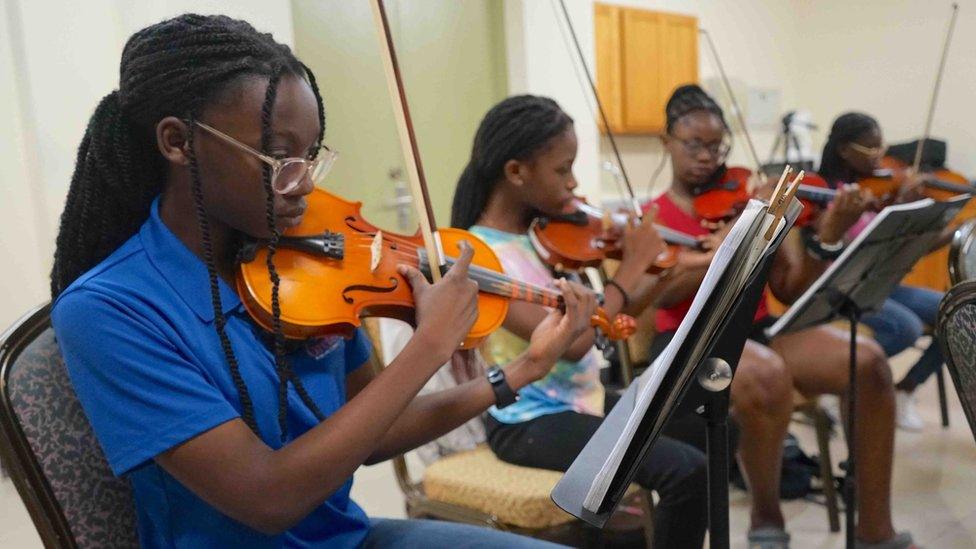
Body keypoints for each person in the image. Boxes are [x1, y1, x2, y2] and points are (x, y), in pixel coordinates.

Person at [49, 14, 596, 548]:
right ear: (179, 142)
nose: (304, 183)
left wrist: (526, 367)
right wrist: (429, 345)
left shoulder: (300, 269)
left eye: (310, 156)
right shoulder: (109, 309)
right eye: (279, 156)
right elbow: (268, 499)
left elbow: (376, 431)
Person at [645, 85, 912, 549]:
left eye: (717, 145)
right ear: (666, 142)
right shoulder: (653, 216)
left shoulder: (749, 196)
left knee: (867, 360)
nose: (709, 157)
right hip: (690, 344)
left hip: (758, 329)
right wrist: (740, 234)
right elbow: (664, 293)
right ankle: (767, 523)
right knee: (766, 375)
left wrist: (823, 234)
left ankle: (876, 531)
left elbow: (791, 288)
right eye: (694, 145)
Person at [450, 94, 709, 549]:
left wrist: (661, 267)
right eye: (562, 169)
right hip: (526, 420)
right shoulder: (477, 255)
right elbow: (567, 342)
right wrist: (628, 269)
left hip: (580, 400)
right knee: (684, 470)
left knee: (707, 422)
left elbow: (608, 319)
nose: (573, 183)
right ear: (516, 172)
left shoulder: (542, 237)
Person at [818, 112, 951, 432]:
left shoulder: (876, 189)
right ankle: (835, 386)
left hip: (884, 283)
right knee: (904, 327)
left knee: (960, 311)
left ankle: (905, 390)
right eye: (870, 150)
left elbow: (897, 250)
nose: (881, 157)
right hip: (847, 287)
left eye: (882, 147)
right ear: (844, 151)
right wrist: (899, 208)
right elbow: (853, 247)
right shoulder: (829, 192)